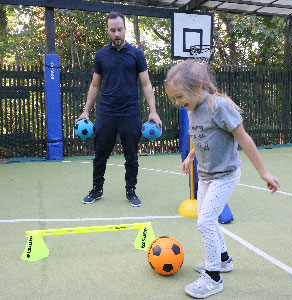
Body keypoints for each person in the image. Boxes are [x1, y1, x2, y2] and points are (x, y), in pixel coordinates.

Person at [164, 59, 280, 299]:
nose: (177, 103)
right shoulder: (192, 108)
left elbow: (244, 139)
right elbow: (203, 136)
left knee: (205, 222)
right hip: (206, 175)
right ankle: (224, 260)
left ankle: (213, 278)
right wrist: (190, 157)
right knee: (208, 219)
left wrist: (263, 172)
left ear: (197, 86)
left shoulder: (218, 106)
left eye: (179, 96)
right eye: (174, 98)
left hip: (225, 176)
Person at [76, 11, 162, 207]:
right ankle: (97, 189)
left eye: (120, 29)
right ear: (108, 31)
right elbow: (95, 85)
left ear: (125, 29)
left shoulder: (137, 55)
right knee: (100, 155)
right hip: (106, 112)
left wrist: (153, 111)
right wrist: (86, 111)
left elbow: (146, 84)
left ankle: (130, 191)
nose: (117, 33)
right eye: (113, 30)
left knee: (131, 156)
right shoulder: (101, 55)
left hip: (129, 112)